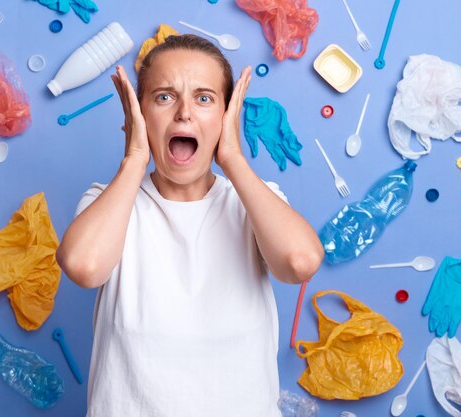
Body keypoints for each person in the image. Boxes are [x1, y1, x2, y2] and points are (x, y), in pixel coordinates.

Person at [56, 34, 324, 417]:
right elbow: (83, 266)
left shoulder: (253, 202)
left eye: (204, 98)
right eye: (164, 97)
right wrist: (134, 155)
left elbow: (300, 262)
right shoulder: (109, 202)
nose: (184, 113)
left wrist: (231, 155)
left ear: (225, 116)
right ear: (139, 114)